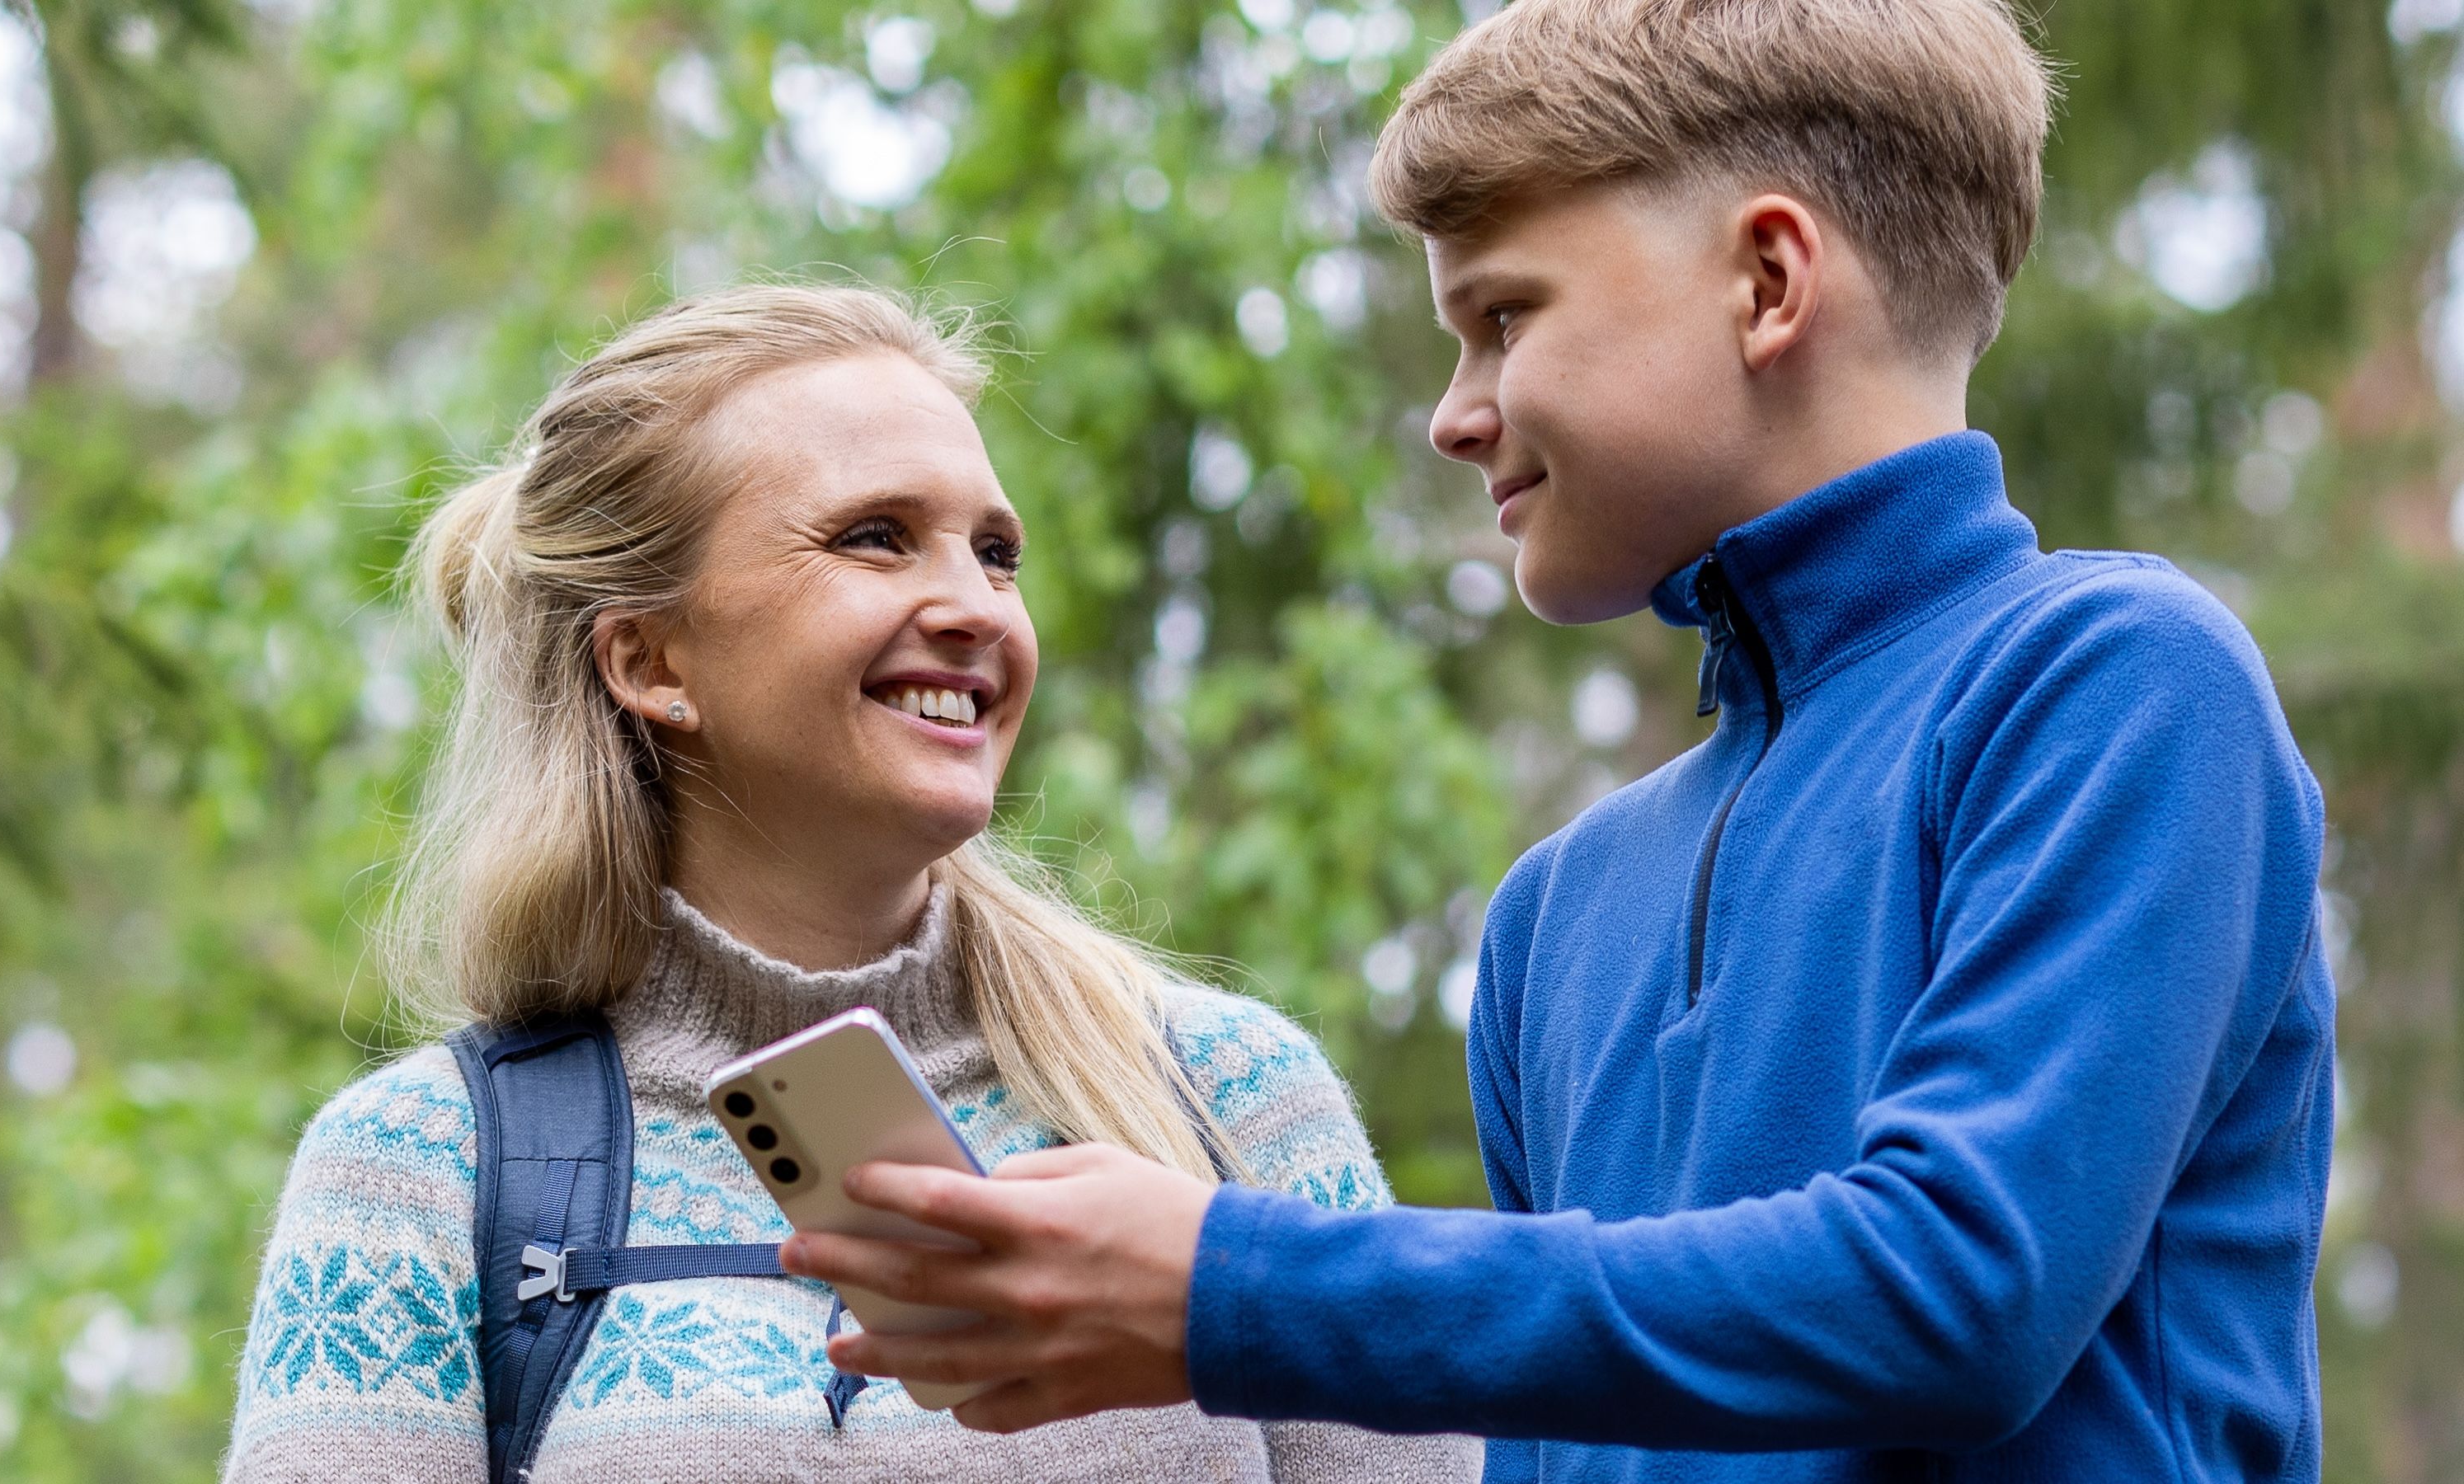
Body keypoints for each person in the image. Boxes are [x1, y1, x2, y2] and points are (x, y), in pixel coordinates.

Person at [780, 2, 2336, 1480]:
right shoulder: (1557, 914)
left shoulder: (2113, 681)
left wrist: (1228, 1287)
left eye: (1503, 316)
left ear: (1770, 282)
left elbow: (1960, 1294)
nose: (1457, 413)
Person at [222, 283, 1479, 1482]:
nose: (978, 607)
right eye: (876, 539)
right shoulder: (418, 1170)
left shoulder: (1232, 1100)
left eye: (996, 552)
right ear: (652, 659)